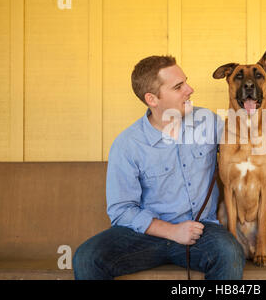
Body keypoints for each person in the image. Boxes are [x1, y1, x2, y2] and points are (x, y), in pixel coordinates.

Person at [72, 55, 245, 280]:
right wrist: (173, 231)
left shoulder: (208, 122)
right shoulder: (128, 144)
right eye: (178, 86)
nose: (190, 89)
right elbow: (121, 210)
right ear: (152, 99)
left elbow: (246, 147)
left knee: (229, 252)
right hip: (145, 235)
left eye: (186, 81)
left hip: (200, 231)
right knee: (86, 258)